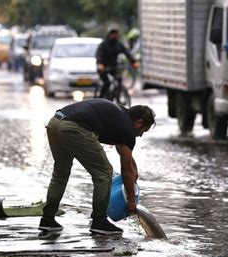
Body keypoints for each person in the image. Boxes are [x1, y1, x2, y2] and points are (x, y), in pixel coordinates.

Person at [38, 99, 155, 235]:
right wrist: (131, 201)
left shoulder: (120, 115)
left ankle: (47, 219)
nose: (140, 135)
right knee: (104, 173)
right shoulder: (127, 129)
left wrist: (133, 167)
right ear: (139, 122)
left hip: (55, 123)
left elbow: (123, 150)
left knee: (61, 173)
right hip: (73, 128)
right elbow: (126, 171)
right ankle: (99, 221)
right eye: (143, 131)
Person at [96, 28, 139, 99]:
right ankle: (100, 98)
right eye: (113, 35)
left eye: (116, 35)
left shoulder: (118, 45)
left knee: (119, 80)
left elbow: (127, 53)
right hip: (104, 67)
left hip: (114, 66)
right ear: (109, 35)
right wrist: (100, 64)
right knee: (107, 83)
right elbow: (99, 55)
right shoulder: (103, 45)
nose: (115, 36)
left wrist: (133, 62)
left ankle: (117, 96)